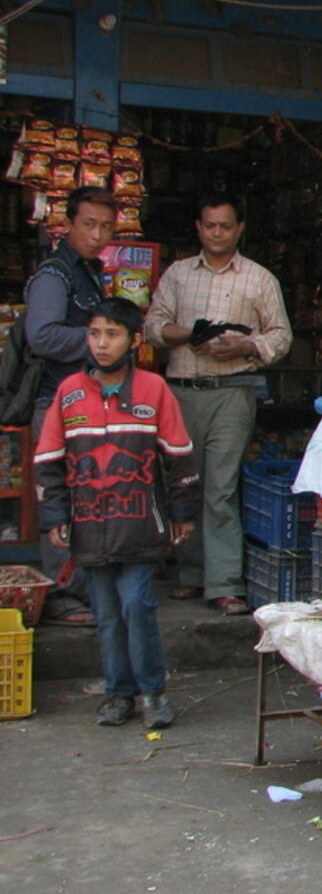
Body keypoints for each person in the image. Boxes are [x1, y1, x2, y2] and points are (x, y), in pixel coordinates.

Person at [33, 297, 199, 728]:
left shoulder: (153, 390)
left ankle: (153, 692)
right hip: (89, 524)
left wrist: (183, 512)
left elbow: (179, 455)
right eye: (94, 333)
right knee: (106, 614)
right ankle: (118, 693)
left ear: (134, 341)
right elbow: (48, 459)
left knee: (137, 606)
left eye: (112, 334)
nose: (101, 344)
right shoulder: (69, 393)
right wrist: (55, 516)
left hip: (140, 522)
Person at [144, 192, 291, 615]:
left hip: (233, 391)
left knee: (221, 488)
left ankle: (224, 582)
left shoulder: (259, 278)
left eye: (226, 226)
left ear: (239, 229)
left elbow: (281, 336)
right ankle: (192, 574)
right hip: (181, 392)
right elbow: (154, 326)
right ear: (198, 227)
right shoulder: (177, 275)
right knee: (186, 484)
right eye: (210, 225)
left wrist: (245, 344)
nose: (217, 233)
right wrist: (188, 334)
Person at [23, 185, 118, 626]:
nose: (97, 235)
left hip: (83, 401)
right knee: (59, 498)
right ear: (68, 225)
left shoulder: (88, 272)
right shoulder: (54, 275)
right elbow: (41, 336)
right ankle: (60, 595)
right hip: (57, 404)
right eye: (88, 225)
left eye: (105, 226)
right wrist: (99, 341)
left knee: (86, 496)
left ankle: (81, 588)